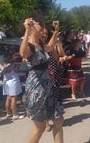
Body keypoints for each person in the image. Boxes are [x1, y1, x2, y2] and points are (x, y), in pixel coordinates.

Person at [19, 10, 64, 143]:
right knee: (39, 127)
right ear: (32, 25)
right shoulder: (30, 46)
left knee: (58, 120)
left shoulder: (41, 45)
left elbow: (50, 47)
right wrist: (26, 30)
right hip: (36, 91)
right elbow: (23, 53)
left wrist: (56, 31)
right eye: (40, 24)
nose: (43, 28)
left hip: (48, 89)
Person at [2, 52, 24, 120]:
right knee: (13, 98)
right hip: (12, 82)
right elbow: (16, 70)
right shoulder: (15, 64)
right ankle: (15, 115)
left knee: (8, 97)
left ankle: (8, 113)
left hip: (6, 82)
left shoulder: (5, 64)